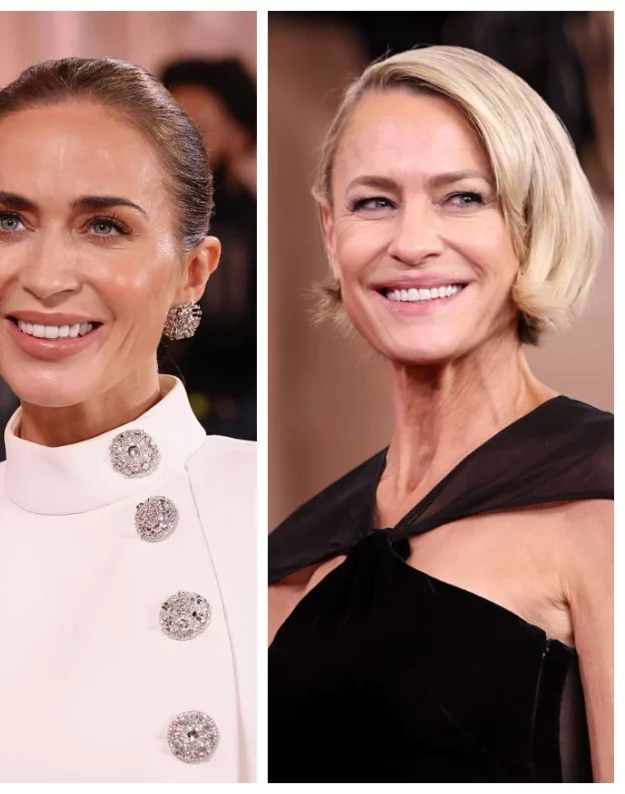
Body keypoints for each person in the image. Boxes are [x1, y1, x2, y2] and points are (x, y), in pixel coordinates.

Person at [0, 57, 257, 783]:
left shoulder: (274, 520)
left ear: (193, 271)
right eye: (7, 221)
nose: (46, 277)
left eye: (104, 226)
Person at [267, 46, 612, 783]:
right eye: (374, 202)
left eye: (463, 198)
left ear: (532, 223)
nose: (413, 243)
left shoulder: (604, 505)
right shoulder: (295, 551)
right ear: (331, 234)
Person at [161, 59, 257, 440]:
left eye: (198, 125)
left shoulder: (255, 225)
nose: (178, 140)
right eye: (169, 123)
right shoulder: (144, 215)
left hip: (233, 419)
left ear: (239, 134)